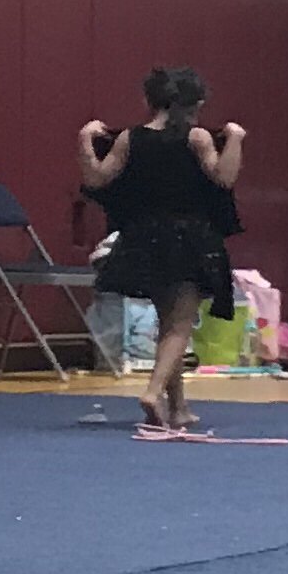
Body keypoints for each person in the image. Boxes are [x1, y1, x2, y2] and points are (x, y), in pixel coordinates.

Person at [76, 66, 243, 439]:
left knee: (168, 324)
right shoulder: (197, 137)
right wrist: (234, 138)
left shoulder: (130, 139)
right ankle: (152, 393)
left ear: (150, 101)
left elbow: (96, 178)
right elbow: (223, 177)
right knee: (180, 325)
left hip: (144, 239)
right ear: (196, 103)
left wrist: (85, 139)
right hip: (190, 238)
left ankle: (178, 407)